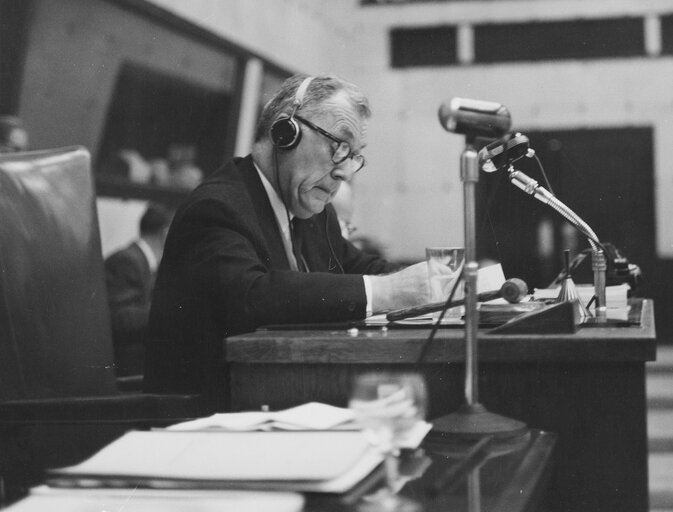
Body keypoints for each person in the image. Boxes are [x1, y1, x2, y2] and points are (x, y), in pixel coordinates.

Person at [143, 74, 443, 404]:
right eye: (339, 146)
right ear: (285, 133)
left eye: (354, 155)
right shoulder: (216, 207)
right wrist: (389, 291)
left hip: (279, 399)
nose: (345, 173)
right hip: (209, 419)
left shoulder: (312, 212)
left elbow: (362, 267)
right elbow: (252, 295)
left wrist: (448, 283)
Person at [104, 202, 173, 376]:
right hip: (128, 369)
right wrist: (170, 310)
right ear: (166, 234)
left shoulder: (141, 262)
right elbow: (119, 318)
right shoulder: (128, 261)